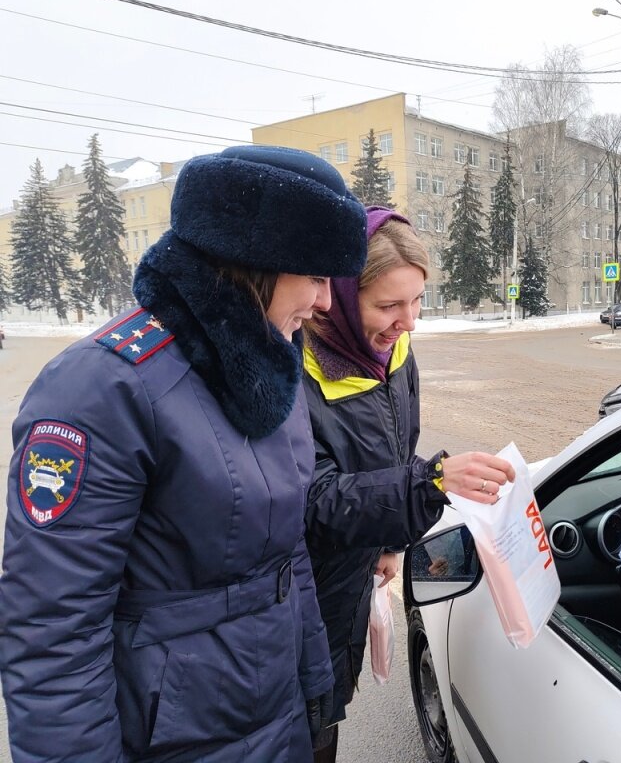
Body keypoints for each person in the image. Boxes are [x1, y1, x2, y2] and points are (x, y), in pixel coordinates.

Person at [0, 145, 367, 761]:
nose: (327, 302)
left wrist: (313, 688)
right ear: (254, 262)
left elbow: (287, 555)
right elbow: (53, 635)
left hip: (274, 720)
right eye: (316, 276)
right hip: (171, 739)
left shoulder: (267, 369)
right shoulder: (102, 389)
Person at [301, 206, 515, 762]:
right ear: (345, 297)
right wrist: (430, 484)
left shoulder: (393, 354)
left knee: (330, 712)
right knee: (307, 727)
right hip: (305, 596)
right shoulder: (298, 372)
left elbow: (394, 455)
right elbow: (315, 502)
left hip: (352, 579)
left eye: (418, 300)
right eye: (389, 305)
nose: (409, 320)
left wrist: (392, 541)